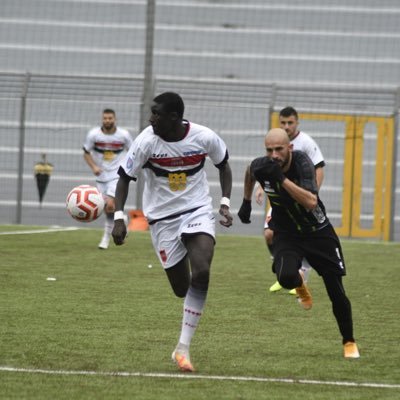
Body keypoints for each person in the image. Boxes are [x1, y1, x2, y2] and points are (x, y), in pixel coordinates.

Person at [112, 92, 233, 372]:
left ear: (174, 117)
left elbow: (224, 164)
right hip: (162, 220)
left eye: (156, 113)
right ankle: (192, 297)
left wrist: (224, 204)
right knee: (182, 288)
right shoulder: (146, 141)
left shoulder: (203, 137)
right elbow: (124, 178)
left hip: (197, 210)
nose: (150, 118)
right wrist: (119, 217)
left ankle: (183, 348)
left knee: (202, 269)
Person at [238, 128, 360, 358]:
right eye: (269, 150)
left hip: (318, 232)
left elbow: (311, 201)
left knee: (336, 291)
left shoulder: (302, 163)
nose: (274, 155)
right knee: (284, 277)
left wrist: (281, 180)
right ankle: (301, 286)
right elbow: (249, 171)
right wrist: (245, 202)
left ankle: (349, 341)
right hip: (287, 233)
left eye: (279, 149)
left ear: (290, 148)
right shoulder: (263, 165)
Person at [255, 107, 325, 294]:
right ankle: (282, 267)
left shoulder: (306, 143)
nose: (286, 126)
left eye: (290, 122)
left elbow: (319, 169)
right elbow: (270, 169)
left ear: (297, 122)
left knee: (305, 237)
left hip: (300, 199)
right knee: (269, 234)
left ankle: (302, 277)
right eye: (283, 123)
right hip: (280, 199)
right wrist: (261, 187)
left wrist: (311, 194)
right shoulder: (275, 144)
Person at [83, 108, 133, 249]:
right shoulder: (94, 135)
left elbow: (133, 151)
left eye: (110, 118)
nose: (107, 121)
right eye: (105, 118)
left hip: (117, 175)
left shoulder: (124, 135)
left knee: (111, 205)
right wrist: (94, 167)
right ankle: (122, 219)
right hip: (101, 177)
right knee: (107, 209)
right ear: (102, 119)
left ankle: (105, 238)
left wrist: (127, 169)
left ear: (115, 119)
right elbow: (86, 152)